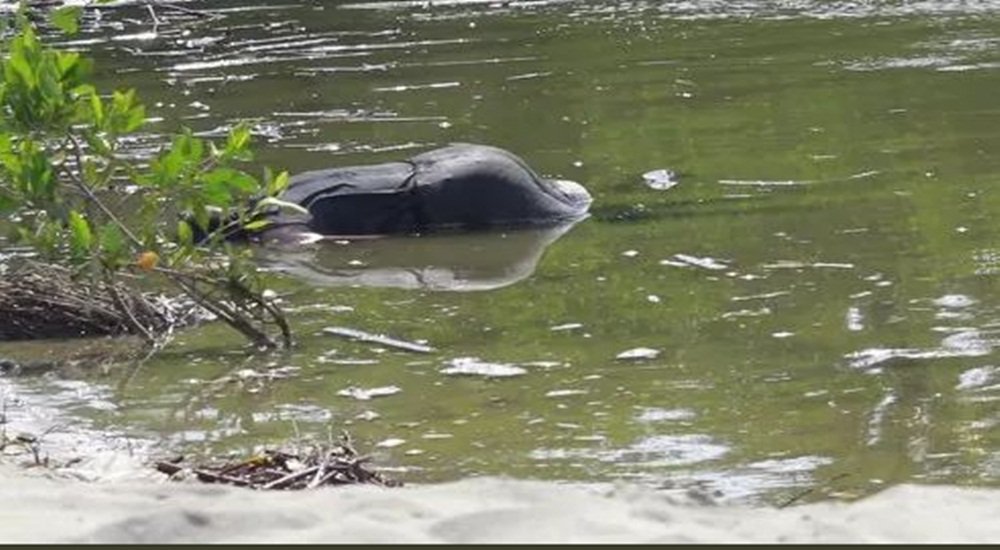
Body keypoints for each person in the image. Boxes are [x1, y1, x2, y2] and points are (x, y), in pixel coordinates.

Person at [195, 143, 592, 245]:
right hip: (465, 163)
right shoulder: (279, 188)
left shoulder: (279, 232)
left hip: (446, 191)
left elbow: (328, 243)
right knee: (566, 209)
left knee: (557, 215)